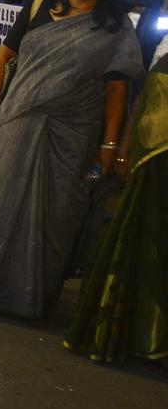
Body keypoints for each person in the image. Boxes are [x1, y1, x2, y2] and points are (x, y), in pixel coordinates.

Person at [0, 0, 145, 319]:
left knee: (53, 219)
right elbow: (5, 56)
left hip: (71, 137)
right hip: (17, 123)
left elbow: (117, 91)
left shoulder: (116, 28)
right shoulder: (41, 5)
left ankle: (27, 300)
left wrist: (110, 145)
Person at [64, 49, 168, 364]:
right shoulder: (164, 59)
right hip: (151, 168)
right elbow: (141, 103)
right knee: (141, 245)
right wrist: (121, 149)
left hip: (153, 164)